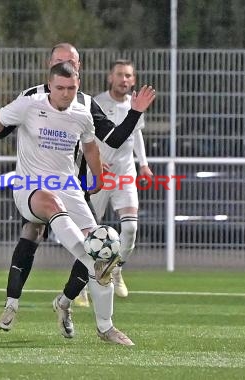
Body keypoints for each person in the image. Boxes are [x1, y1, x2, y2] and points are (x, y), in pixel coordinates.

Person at [0, 62, 150, 345]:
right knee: (56, 210)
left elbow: (91, 145)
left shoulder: (82, 112)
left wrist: (99, 178)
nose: (66, 94)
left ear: (77, 85)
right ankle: (80, 267)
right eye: (60, 88)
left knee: (102, 252)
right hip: (30, 189)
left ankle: (106, 328)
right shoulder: (30, 104)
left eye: (71, 88)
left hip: (68, 188)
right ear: (49, 84)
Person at [0, 43, 156, 334]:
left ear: (79, 68)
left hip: (74, 187)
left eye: (72, 61)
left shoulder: (87, 104)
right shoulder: (31, 96)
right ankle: (11, 303)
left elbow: (113, 139)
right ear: (49, 65)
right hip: (39, 184)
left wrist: (134, 113)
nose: (67, 64)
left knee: (94, 246)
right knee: (32, 232)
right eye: (60, 60)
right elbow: (1, 127)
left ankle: (65, 303)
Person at [90, 59, 153, 298]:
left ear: (133, 80)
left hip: (125, 173)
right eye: (119, 75)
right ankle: (84, 281)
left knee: (130, 227)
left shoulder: (135, 105)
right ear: (110, 78)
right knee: (90, 231)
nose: (124, 79)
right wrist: (94, 160)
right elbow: (86, 136)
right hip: (98, 174)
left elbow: (136, 134)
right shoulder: (96, 103)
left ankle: (116, 270)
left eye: (128, 75)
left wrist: (144, 164)